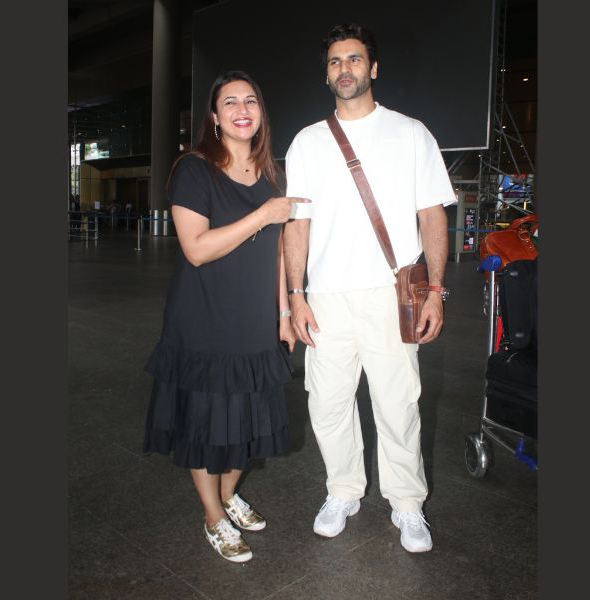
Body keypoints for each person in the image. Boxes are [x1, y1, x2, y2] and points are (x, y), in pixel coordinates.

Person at [283, 23, 457, 553]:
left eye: (354, 59)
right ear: (326, 74)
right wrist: (295, 295)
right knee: (327, 405)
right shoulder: (308, 142)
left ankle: (407, 504)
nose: (345, 69)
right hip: (326, 296)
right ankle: (343, 491)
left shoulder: (410, 133)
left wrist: (435, 290)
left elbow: (432, 215)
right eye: (335, 61)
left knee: (398, 405)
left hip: (390, 294)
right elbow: (297, 225)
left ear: (373, 68)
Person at [143, 70, 307, 563]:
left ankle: (230, 494)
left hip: (255, 319)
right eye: (230, 102)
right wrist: (261, 215)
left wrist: (283, 312)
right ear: (214, 116)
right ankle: (213, 515)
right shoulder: (194, 170)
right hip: (204, 318)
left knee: (250, 420)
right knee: (207, 422)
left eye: (250, 101)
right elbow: (195, 249)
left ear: (261, 114)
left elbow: (275, 252)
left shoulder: (271, 175)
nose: (241, 109)